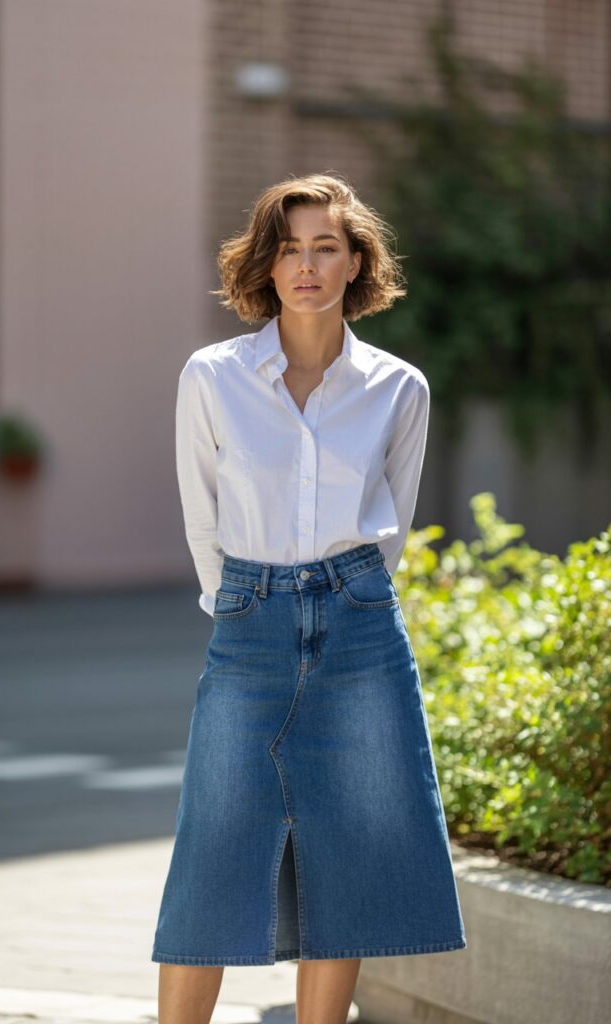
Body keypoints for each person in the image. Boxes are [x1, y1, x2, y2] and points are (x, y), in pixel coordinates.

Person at [151, 172, 467, 1024]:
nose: (306, 265)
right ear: (267, 262)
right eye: (288, 247)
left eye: (325, 246)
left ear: (356, 260)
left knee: (350, 858)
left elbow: (391, 523)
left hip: (361, 628)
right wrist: (241, 603)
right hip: (250, 624)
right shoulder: (212, 376)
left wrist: (346, 594)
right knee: (213, 851)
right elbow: (199, 514)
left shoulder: (399, 389)